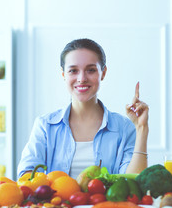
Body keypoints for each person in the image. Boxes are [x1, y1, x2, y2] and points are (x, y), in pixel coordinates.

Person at [17, 38, 149, 179]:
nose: (81, 78)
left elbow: (133, 182)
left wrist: (141, 128)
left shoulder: (124, 128)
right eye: (73, 70)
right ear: (63, 74)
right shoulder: (45, 126)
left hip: (106, 202)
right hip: (57, 202)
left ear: (103, 73)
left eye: (91, 70)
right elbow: (25, 175)